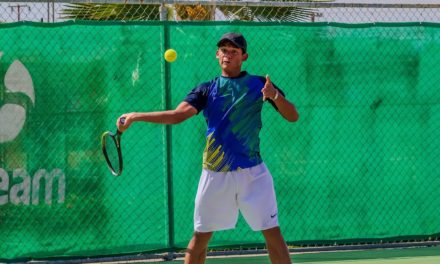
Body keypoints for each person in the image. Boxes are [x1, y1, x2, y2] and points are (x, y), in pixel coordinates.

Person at [116, 32, 299, 264]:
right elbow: (177, 115)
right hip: (215, 173)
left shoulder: (260, 84)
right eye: (224, 50)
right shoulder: (206, 89)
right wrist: (136, 116)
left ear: (244, 56)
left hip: (253, 173)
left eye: (234, 51)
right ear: (217, 54)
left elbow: (292, 116)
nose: (227, 55)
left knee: (273, 234)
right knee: (200, 238)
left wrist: (274, 96)